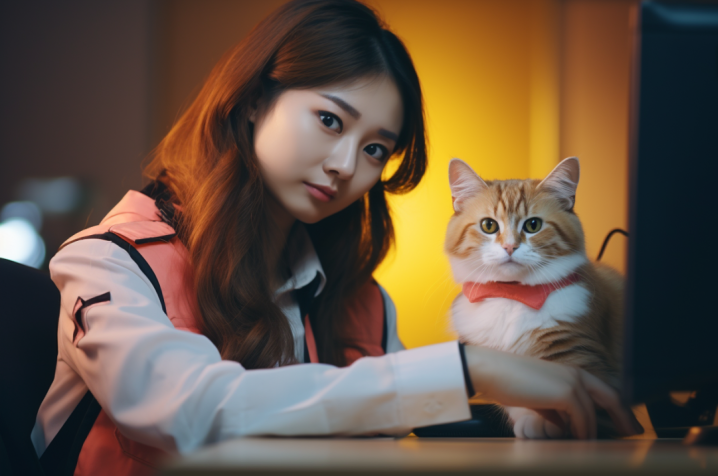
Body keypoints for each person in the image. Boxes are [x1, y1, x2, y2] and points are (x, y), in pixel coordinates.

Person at [31, 0, 642, 474]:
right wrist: (470, 369)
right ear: (254, 101)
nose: (348, 165)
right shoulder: (107, 262)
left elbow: (391, 418)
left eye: (375, 149)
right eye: (329, 120)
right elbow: (187, 408)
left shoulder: (362, 302)